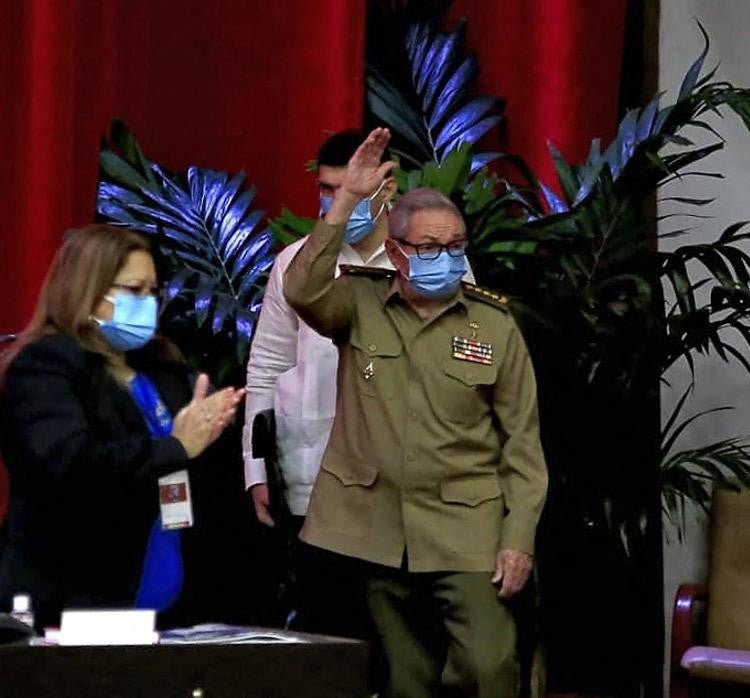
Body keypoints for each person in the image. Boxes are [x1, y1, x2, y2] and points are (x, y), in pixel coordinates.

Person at [284, 128, 547, 698]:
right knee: (405, 680)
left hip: (466, 526)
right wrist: (348, 201)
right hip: (375, 526)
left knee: (488, 666)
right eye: (430, 248)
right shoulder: (358, 301)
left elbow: (523, 445)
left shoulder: (494, 326)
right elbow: (301, 291)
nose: (446, 258)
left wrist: (518, 538)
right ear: (398, 252)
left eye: (455, 247)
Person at [0, 225, 242, 629]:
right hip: (75, 605)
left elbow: (203, 474)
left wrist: (214, 428)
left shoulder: (165, 369)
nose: (146, 304)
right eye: (133, 291)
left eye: (153, 292)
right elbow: (69, 465)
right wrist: (177, 446)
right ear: (86, 290)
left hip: (174, 615)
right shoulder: (45, 367)